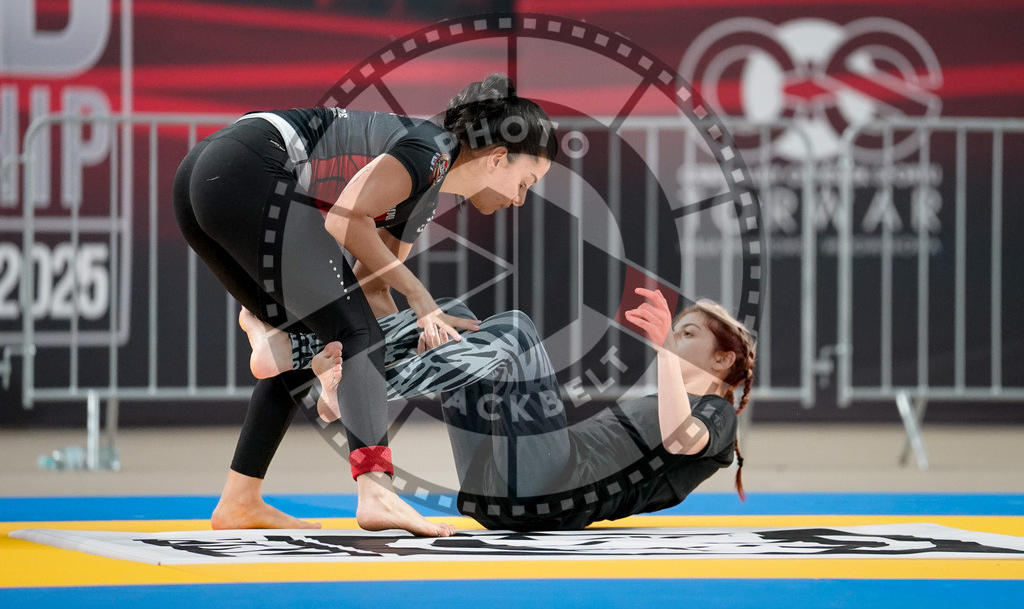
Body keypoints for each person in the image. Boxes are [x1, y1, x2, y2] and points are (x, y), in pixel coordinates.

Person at [172, 73, 557, 537]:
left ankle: (239, 499)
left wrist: (409, 335)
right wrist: (419, 300)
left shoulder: (425, 182)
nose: (520, 200)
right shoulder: (431, 149)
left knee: (326, 337)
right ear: (497, 159)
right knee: (355, 336)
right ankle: (376, 492)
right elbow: (344, 218)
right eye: (526, 182)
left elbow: (370, 287)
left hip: (207, 177)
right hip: (242, 170)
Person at [247, 288, 755, 531]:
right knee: (454, 318)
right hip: (500, 494)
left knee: (515, 327)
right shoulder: (665, 396)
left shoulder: (718, 415)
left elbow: (679, 439)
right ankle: (315, 359)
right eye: (677, 331)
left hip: (555, 490)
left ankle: (361, 389)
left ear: (723, 358)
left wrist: (663, 352)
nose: (674, 337)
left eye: (688, 334)